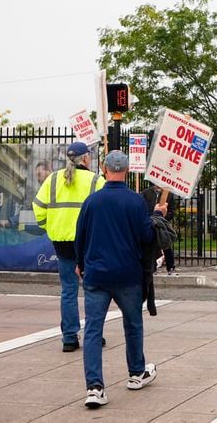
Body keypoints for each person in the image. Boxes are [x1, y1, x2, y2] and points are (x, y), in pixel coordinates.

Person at [74, 150, 160, 408]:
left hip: (97, 273)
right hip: (127, 273)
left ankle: (95, 387)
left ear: (104, 168)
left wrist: (80, 263)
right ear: (126, 171)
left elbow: (80, 235)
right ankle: (136, 372)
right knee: (133, 324)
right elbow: (146, 237)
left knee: (92, 329)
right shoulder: (135, 202)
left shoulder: (92, 201)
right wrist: (157, 216)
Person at [33, 142, 105, 352]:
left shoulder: (53, 179)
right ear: (85, 159)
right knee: (93, 289)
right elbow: (104, 210)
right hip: (89, 243)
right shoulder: (95, 180)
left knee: (68, 290)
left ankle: (69, 337)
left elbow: (38, 207)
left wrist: (50, 227)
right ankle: (94, 334)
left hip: (62, 241)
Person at [141, 184, 178, 276]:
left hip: (162, 223)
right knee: (151, 246)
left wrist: (164, 216)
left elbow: (172, 210)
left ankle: (171, 267)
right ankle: (152, 268)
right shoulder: (146, 193)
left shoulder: (168, 193)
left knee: (166, 244)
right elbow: (141, 207)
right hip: (150, 222)